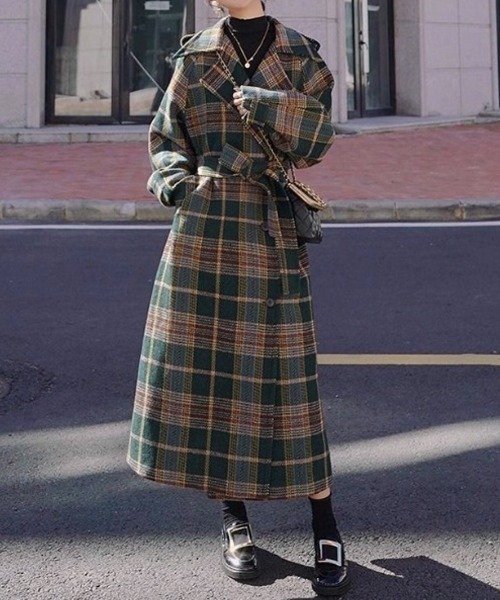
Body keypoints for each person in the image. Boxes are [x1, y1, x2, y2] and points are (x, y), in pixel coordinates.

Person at [127, 0, 351, 596]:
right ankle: (234, 519)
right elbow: (165, 137)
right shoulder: (196, 54)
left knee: (292, 387)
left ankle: (326, 525)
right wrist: (179, 184)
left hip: (270, 230)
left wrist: (262, 101)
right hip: (204, 233)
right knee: (215, 379)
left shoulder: (300, 54)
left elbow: (317, 141)